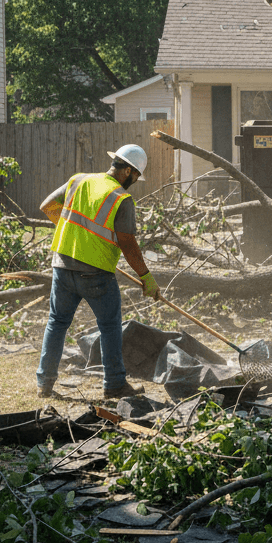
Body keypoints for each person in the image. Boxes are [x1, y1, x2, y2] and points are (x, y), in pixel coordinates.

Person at [36, 144, 160, 399]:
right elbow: (127, 242)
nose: (135, 182)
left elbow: (47, 206)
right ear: (127, 171)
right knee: (110, 326)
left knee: (57, 323)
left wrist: (75, 234)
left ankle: (44, 384)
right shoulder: (121, 199)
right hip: (96, 274)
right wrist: (146, 277)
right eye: (135, 177)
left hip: (62, 264)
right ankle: (114, 384)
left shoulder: (78, 180)